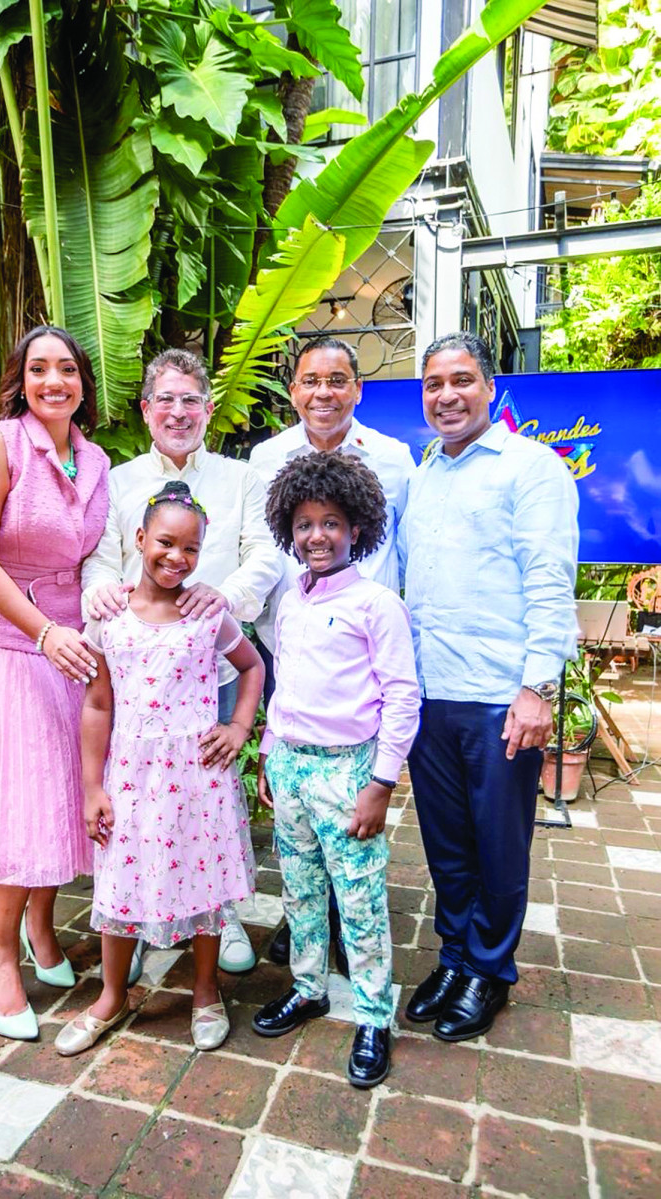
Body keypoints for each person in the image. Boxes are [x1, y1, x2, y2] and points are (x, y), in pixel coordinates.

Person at [401, 331, 579, 1042]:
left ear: (490, 386)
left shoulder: (530, 468)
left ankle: (490, 968)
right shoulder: (422, 477)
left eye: (462, 380)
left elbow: (548, 579)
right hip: (430, 692)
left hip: (500, 695)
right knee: (447, 843)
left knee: (498, 842)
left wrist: (537, 686)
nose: (447, 395)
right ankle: (454, 955)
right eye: (434, 383)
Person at [81, 348, 281, 978]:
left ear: (208, 409)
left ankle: (218, 922)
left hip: (211, 669)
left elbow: (265, 554)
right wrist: (102, 593)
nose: (178, 410)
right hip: (139, 675)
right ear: (145, 409)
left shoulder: (240, 476)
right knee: (140, 811)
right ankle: (140, 917)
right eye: (164, 398)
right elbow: (100, 557)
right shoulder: (117, 481)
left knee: (208, 807)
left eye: (190, 399)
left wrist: (225, 598)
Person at [0, 326, 110, 1040]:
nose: (53, 381)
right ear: (20, 379)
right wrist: (41, 629)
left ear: (83, 383)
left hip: (73, 645)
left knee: (63, 796)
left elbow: (99, 552)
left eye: (66, 369)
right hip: (11, 642)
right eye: (38, 368)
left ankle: (43, 927)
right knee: (22, 802)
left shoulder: (97, 458)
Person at [55, 482, 264, 1056]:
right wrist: (91, 785)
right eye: (165, 543)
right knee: (121, 879)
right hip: (130, 772)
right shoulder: (111, 618)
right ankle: (112, 994)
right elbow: (97, 704)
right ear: (140, 539)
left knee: (203, 881)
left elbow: (250, 668)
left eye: (191, 549)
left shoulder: (206, 614)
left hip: (197, 774)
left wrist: (239, 728)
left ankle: (204, 990)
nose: (177, 558)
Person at [252, 452, 421, 1088]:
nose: (316, 536)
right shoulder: (289, 600)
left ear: (357, 529)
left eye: (330, 523)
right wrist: (269, 753)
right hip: (291, 766)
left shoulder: (377, 604)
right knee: (299, 892)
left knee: (360, 901)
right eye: (303, 524)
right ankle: (308, 988)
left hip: (351, 773)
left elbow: (403, 697)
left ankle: (375, 1016)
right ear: (288, 530)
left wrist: (380, 782)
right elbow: (284, 684)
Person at [249, 335, 414, 973]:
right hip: (288, 651)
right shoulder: (266, 458)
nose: (324, 392)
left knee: (351, 816)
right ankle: (306, 934)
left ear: (357, 389)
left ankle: (356, 935)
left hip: (362, 658)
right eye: (311, 380)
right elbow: (259, 552)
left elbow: (409, 550)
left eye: (338, 380)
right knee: (297, 831)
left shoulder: (395, 459)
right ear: (294, 390)